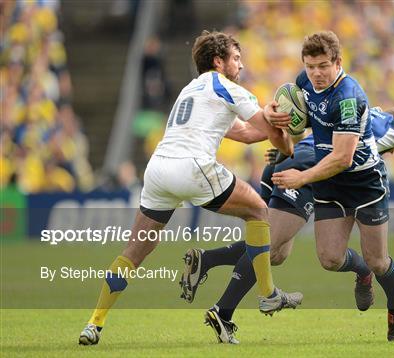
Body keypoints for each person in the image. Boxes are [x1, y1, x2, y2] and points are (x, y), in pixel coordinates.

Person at [181, 105, 394, 343]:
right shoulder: (387, 128)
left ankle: (208, 261)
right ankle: (222, 311)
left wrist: (285, 147)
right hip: (302, 178)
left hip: (289, 167)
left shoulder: (349, 109)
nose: (393, 152)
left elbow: (307, 131)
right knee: (272, 247)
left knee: (276, 254)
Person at [78, 30, 302, 346]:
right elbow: (270, 133)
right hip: (191, 167)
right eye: (236, 58)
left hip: (158, 171)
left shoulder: (192, 90)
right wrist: (287, 134)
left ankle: (94, 323)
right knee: (259, 211)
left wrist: (273, 126)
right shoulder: (226, 86)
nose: (241, 65)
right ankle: (268, 294)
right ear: (218, 61)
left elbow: (248, 133)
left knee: (134, 252)